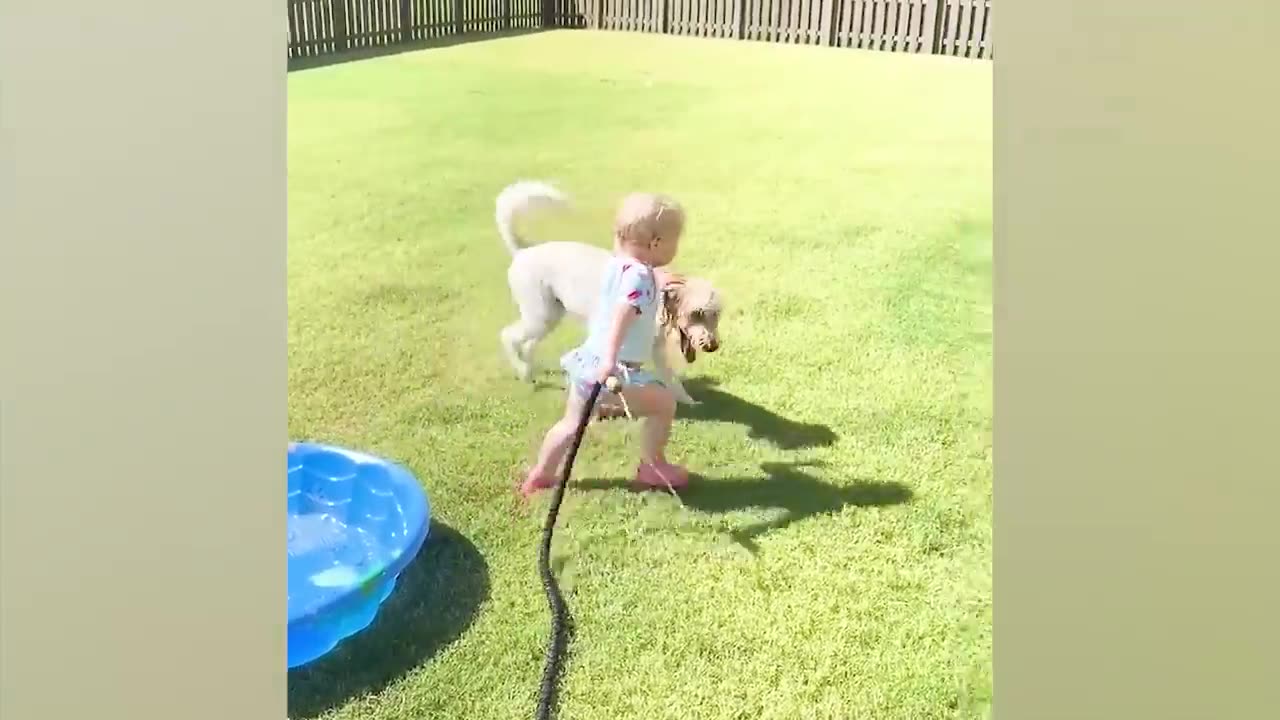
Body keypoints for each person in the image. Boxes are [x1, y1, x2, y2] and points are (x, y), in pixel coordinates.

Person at [521, 191, 690, 496]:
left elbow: (631, 271)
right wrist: (611, 359)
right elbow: (624, 312)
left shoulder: (618, 265)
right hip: (613, 370)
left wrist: (654, 273)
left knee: (570, 425)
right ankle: (652, 466)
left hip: (587, 363)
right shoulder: (639, 277)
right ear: (656, 244)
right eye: (673, 241)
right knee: (665, 404)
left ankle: (541, 474)